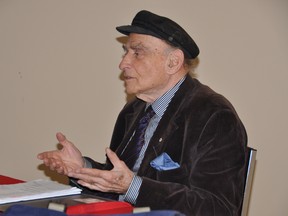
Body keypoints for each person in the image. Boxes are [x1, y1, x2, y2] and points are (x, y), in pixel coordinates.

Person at [37, 10, 248, 216]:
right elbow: (119, 181)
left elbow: (218, 208)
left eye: (137, 53)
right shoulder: (134, 110)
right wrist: (83, 167)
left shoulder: (214, 116)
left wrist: (132, 187)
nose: (123, 64)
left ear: (173, 62)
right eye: (125, 52)